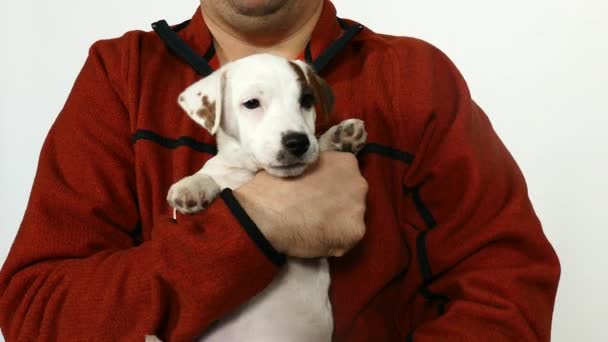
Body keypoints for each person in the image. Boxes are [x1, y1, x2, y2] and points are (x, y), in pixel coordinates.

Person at [0, 0, 560, 340]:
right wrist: (255, 225)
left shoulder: (414, 80)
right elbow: (38, 312)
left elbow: (507, 286)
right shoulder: (122, 77)